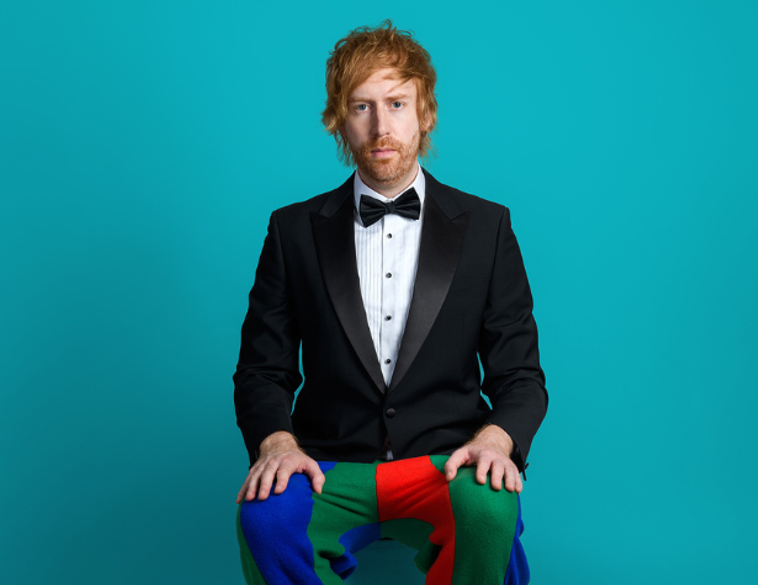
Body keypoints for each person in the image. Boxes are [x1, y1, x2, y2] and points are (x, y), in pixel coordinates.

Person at [233, 20, 548, 585]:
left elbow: (520, 375)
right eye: (362, 107)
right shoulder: (292, 231)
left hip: (445, 464)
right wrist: (277, 443)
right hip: (328, 466)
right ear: (338, 121)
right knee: (264, 516)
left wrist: (497, 441)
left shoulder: (487, 228)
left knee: (491, 507)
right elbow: (262, 369)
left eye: (397, 103)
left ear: (424, 113)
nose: (381, 126)